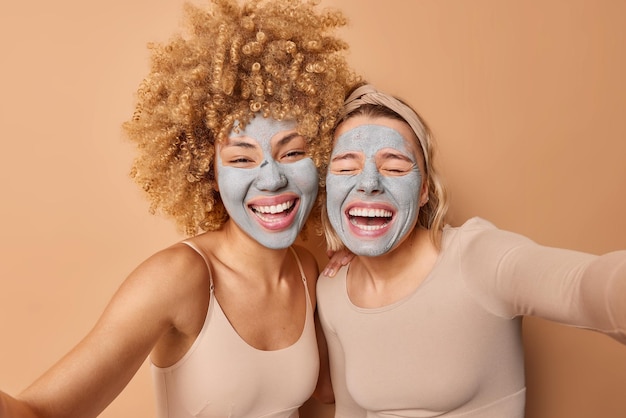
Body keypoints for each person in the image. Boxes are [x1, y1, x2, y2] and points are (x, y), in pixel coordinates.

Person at [0, 0, 358, 417]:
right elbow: (37, 412)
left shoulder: (305, 268)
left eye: (292, 152)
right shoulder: (179, 278)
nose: (271, 178)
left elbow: (330, 392)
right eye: (242, 158)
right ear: (208, 171)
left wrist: (362, 270)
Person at [316, 83, 626, 417]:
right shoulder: (332, 288)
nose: (369, 182)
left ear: (423, 191)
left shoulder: (476, 256)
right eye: (346, 168)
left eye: (394, 167)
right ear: (328, 187)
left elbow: (582, 286)